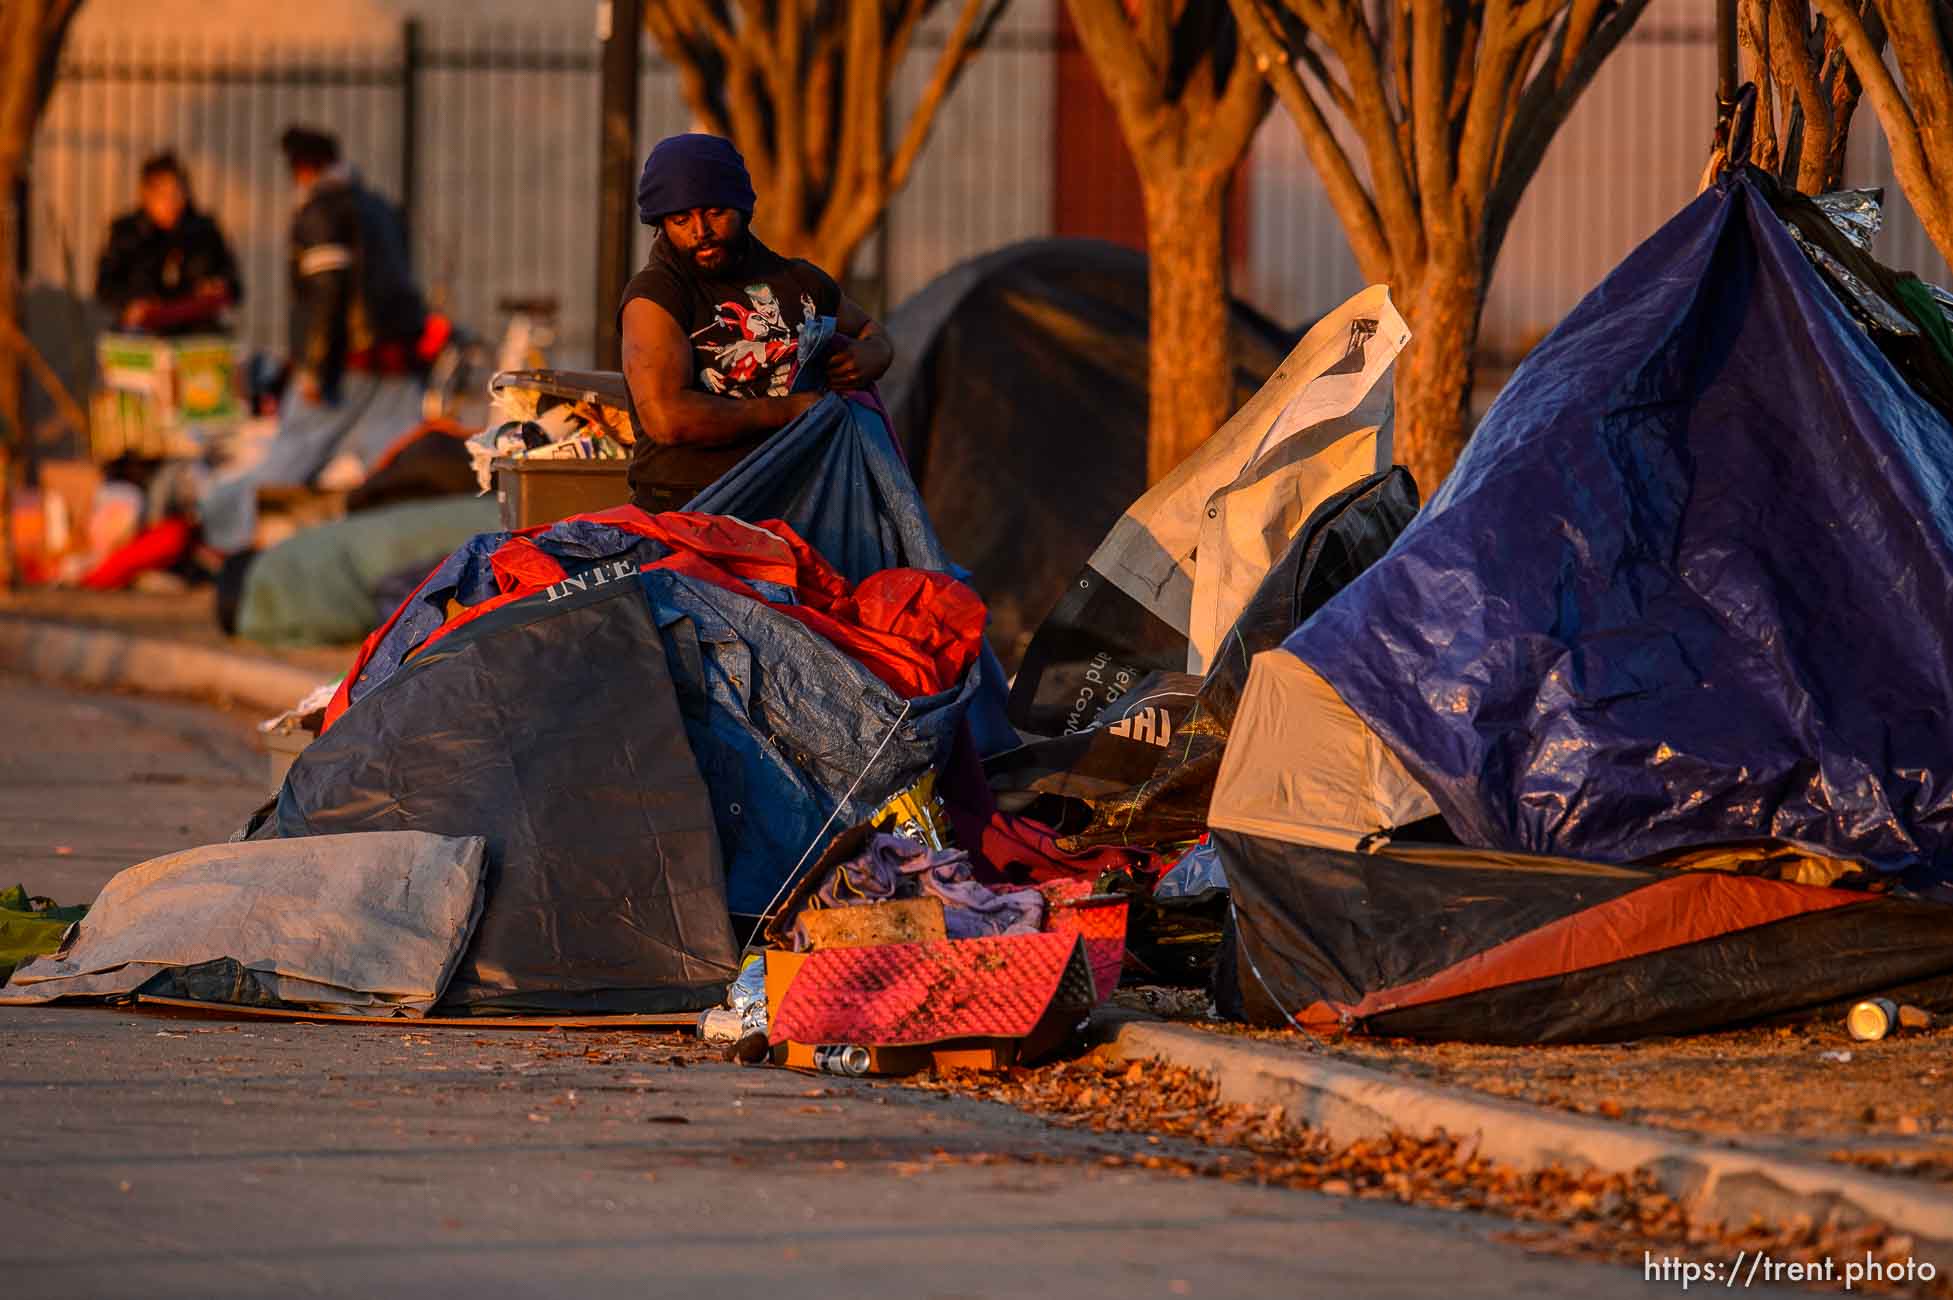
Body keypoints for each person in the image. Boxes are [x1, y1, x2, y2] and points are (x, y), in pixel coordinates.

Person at [618, 133, 894, 511]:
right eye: (682, 220)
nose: (701, 232)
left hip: (800, 499)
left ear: (742, 209)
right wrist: (789, 411)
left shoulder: (800, 282)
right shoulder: (656, 296)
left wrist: (872, 355)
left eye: (715, 213)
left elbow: (871, 331)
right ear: (662, 224)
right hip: (691, 507)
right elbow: (667, 417)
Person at [197, 126, 428, 554]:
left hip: (346, 364)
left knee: (288, 457)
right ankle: (410, 551)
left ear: (302, 169)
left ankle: (222, 536)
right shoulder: (379, 207)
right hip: (396, 360)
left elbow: (327, 294)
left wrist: (315, 369)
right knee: (397, 465)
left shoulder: (322, 212)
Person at [94, 152, 241, 335]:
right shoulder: (126, 232)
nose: (172, 203)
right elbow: (105, 286)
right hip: (143, 331)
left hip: (195, 331)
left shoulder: (205, 231)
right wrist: (129, 303)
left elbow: (234, 285)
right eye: (163, 195)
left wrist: (218, 285)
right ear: (146, 194)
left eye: (178, 193)